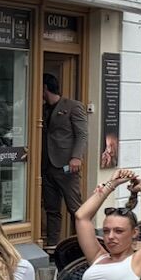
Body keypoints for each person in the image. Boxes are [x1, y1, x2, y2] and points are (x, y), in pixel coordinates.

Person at [40, 72, 88, 246]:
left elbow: (82, 134)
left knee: (75, 209)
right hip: (46, 166)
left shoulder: (73, 106)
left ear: (45, 87)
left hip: (67, 166)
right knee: (51, 208)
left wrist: (76, 157)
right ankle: (53, 245)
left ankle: (82, 245)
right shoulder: (42, 109)